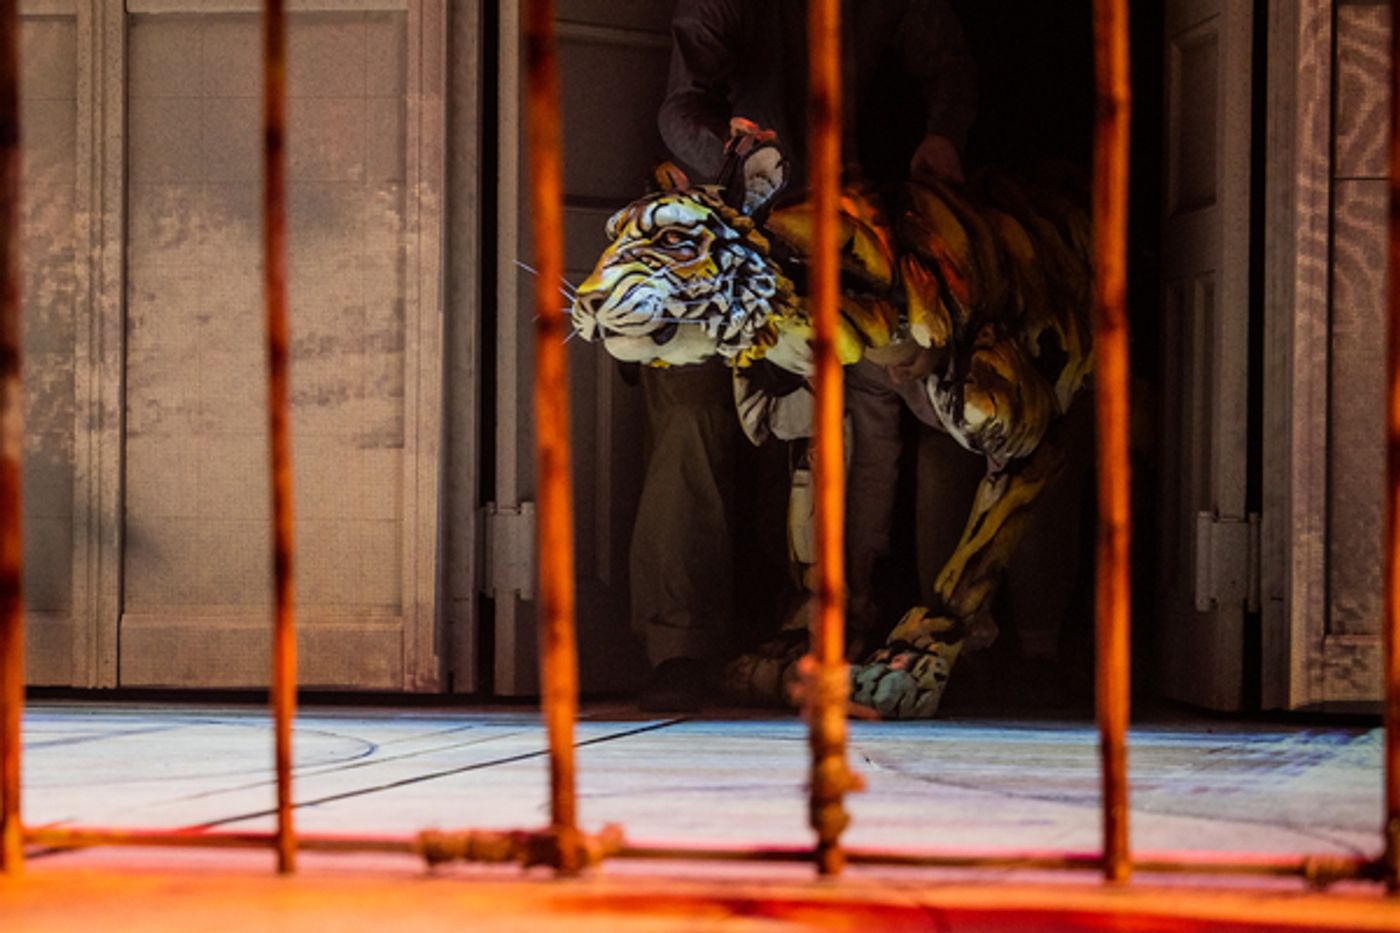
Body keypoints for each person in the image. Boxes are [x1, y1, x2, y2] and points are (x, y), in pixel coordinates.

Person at [630, 0, 980, 712]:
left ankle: (833, 626)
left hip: (834, 224)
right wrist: (737, 160)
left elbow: (948, 60)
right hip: (718, 225)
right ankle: (679, 646)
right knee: (692, 411)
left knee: (847, 408)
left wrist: (943, 133)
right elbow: (681, 104)